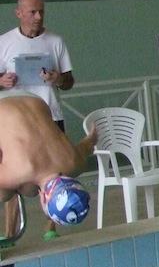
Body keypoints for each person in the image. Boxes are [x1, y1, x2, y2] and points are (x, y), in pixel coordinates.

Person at [0, 0, 76, 241]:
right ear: (19, 13)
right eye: (32, 12)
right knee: (14, 174)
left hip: (50, 115)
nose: (38, 17)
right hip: (17, 123)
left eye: (41, 11)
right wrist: (2, 81)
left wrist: (57, 78)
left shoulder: (55, 41)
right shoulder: (4, 42)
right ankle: (10, 231)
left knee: (54, 173)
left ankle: (51, 226)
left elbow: (69, 81)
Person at [0, 93, 95, 243]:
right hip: (3, 105)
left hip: (35, 99)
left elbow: (90, 142)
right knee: (4, 194)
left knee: (29, 188)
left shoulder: (75, 163)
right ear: (44, 198)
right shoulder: (18, 173)